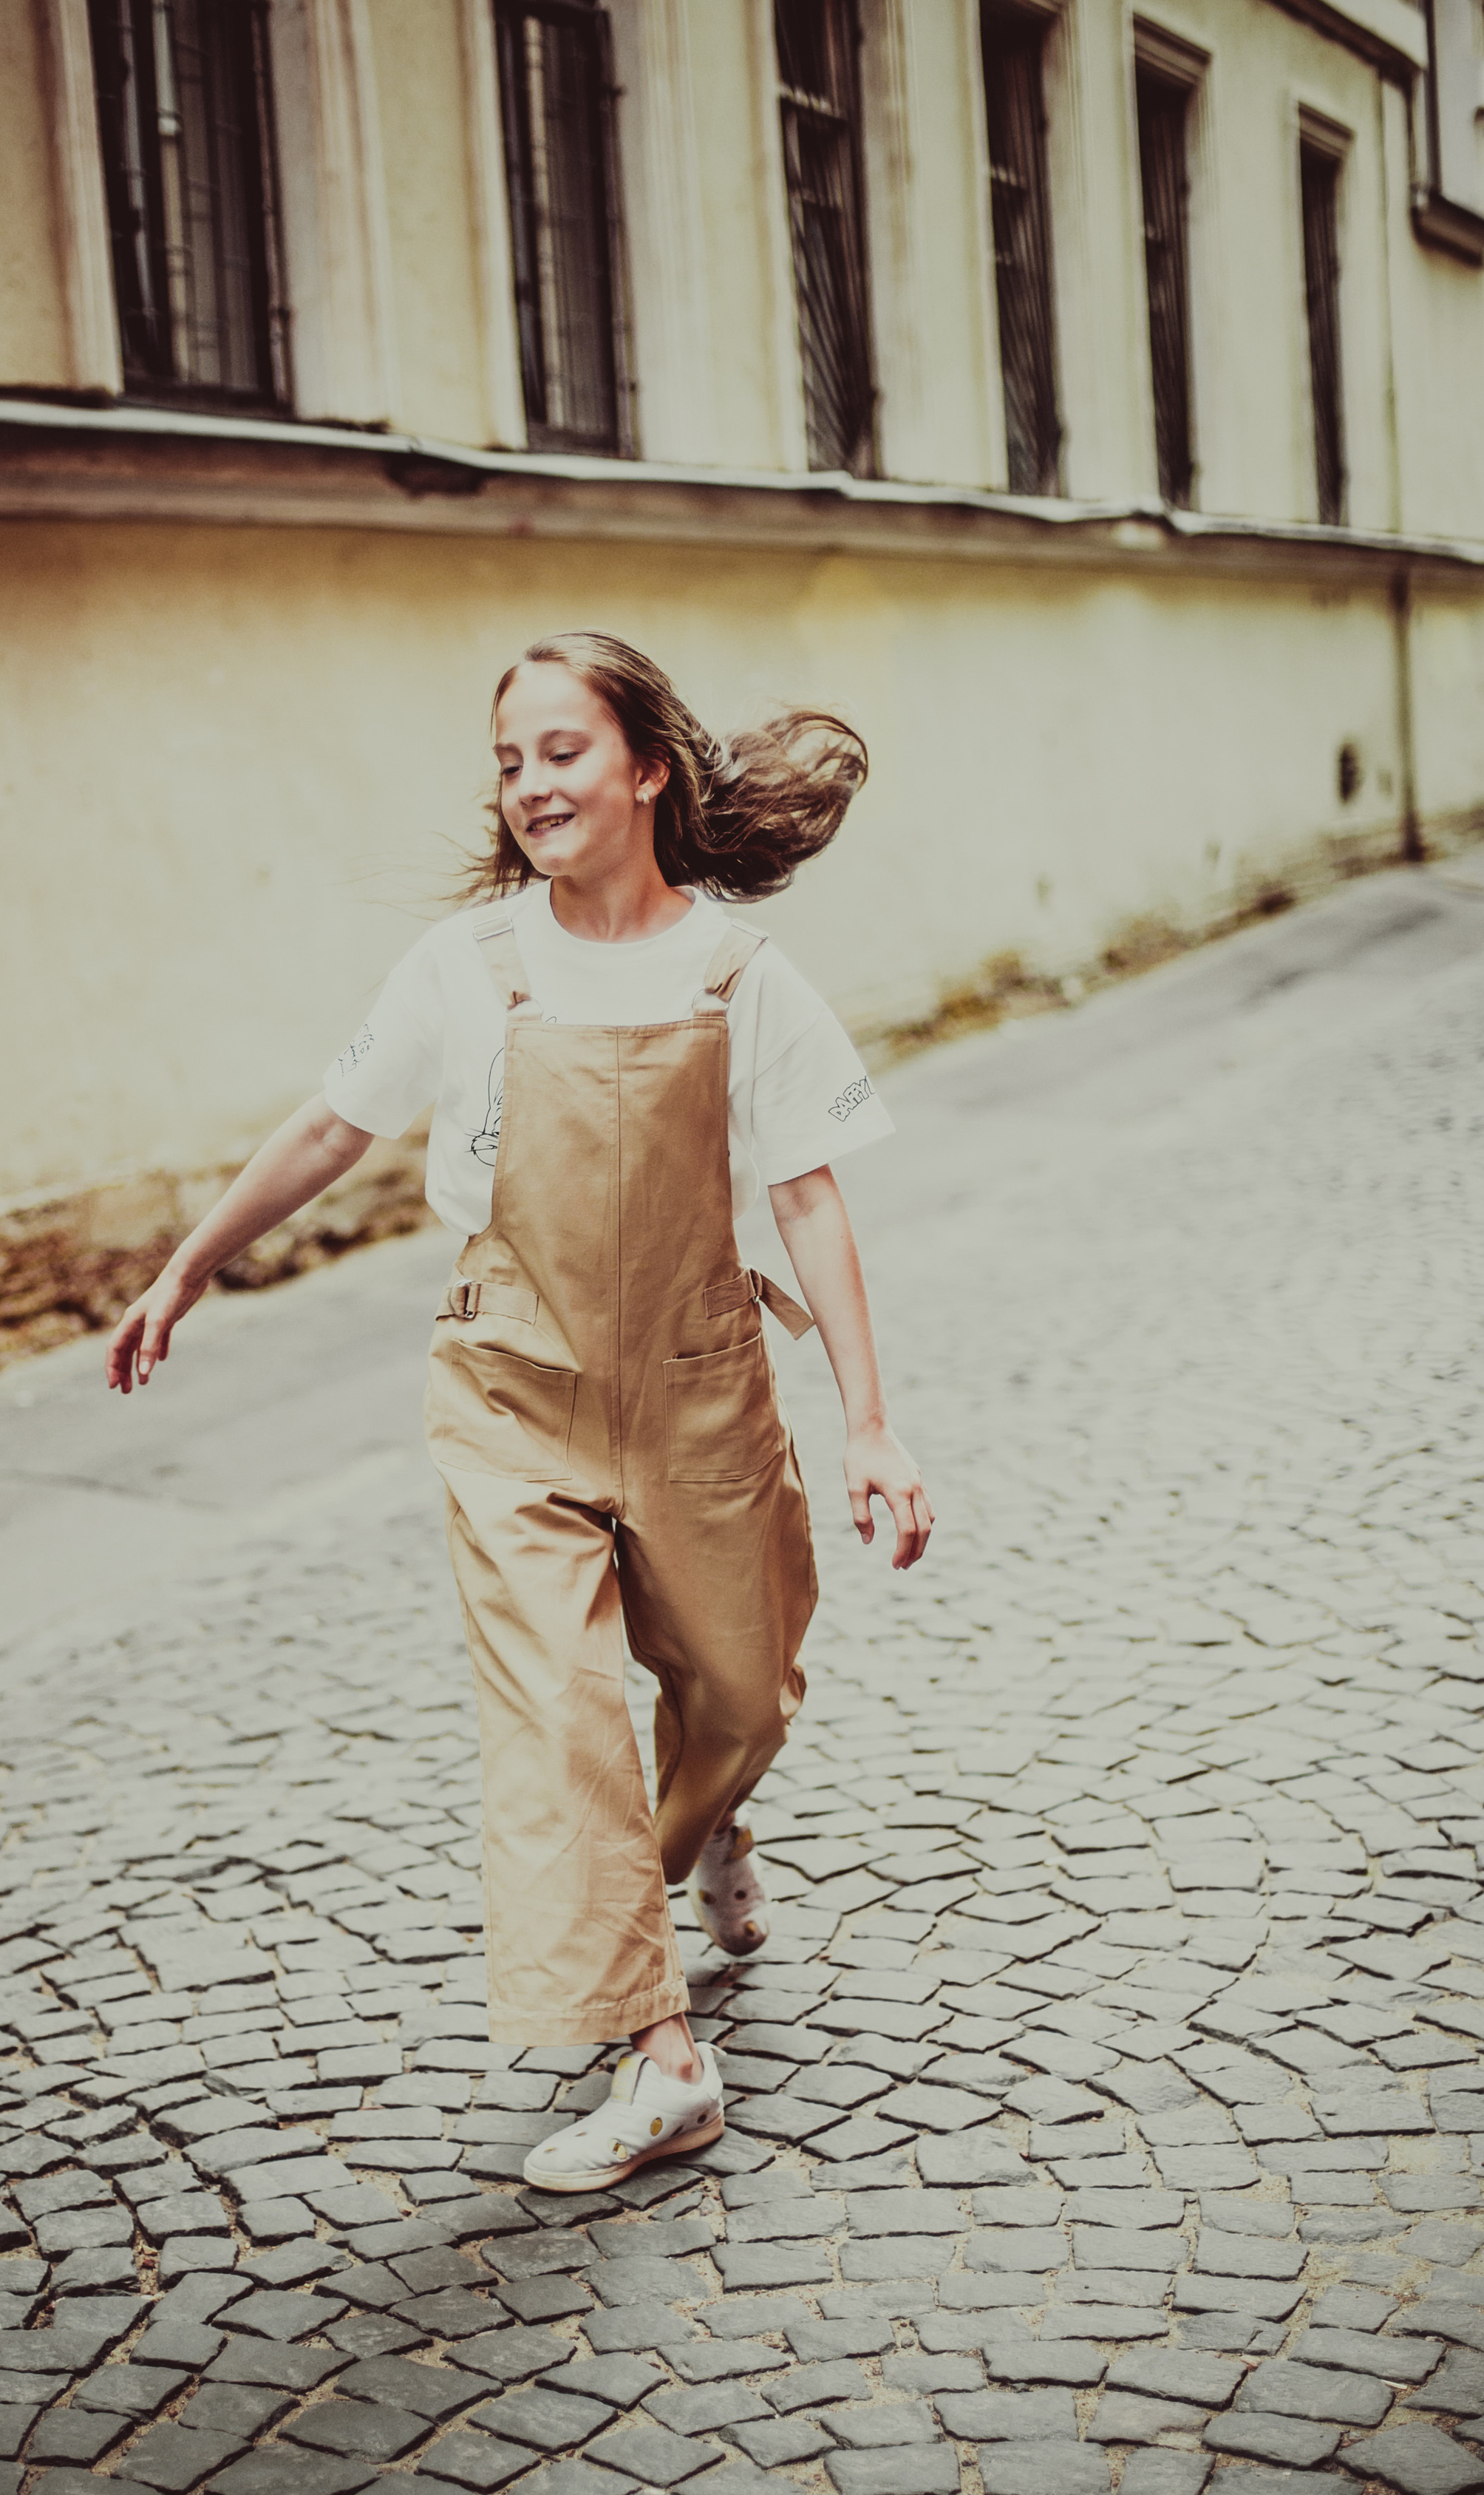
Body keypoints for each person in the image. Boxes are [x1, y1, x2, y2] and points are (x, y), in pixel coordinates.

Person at [106, 632, 932, 2193]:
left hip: (699, 1390)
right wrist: (190, 1268)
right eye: (508, 759)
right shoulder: (467, 966)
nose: (530, 783)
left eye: (560, 750)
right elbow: (327, 1124)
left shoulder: (737, 974)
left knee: (743, 1698)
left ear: (642, 769)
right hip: (510, 1391)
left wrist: (869, 1424)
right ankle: (658, 2057)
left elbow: (809, 1199)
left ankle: (711, 1818)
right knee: (560, 1720)